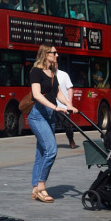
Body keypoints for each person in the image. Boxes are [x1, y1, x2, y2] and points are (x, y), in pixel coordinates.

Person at [27, 44, 77, 203]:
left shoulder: (53, 71)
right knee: (51, 149)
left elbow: (57, 93)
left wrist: (68, 104)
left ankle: (35, 188)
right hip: (38, 115)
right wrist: (55, 107)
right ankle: (41, 187)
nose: (57, 55)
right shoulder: (36, 71)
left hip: (49, 116)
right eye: (54, 53)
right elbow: (36, 95)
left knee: (41, 152)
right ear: (45, 54)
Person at [55, 67, 76, 149]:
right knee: (51, 126)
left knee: (67, 125)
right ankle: (52, 144)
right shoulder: (46, 74)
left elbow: (70, 89)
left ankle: (71, 139)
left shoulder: (63, 74)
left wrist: (69, 103)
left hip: (63, 106)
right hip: (52, 106)